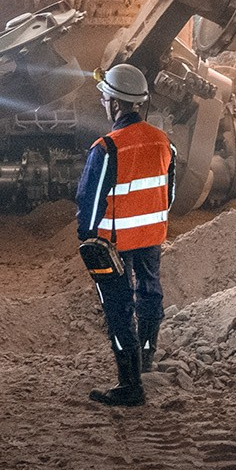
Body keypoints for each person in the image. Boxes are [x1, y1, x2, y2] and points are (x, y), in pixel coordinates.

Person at [75, 62, 176, 406]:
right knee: (150, 296)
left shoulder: (107, 147)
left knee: (119, 309)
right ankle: (146, 358)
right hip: (150, 237)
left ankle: (130, 384)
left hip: (113, 244)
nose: (104, 104)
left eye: (105, 98)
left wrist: (86, 237)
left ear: (116, 104)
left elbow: (90, 201)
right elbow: (169, 192)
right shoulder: (164, 142)